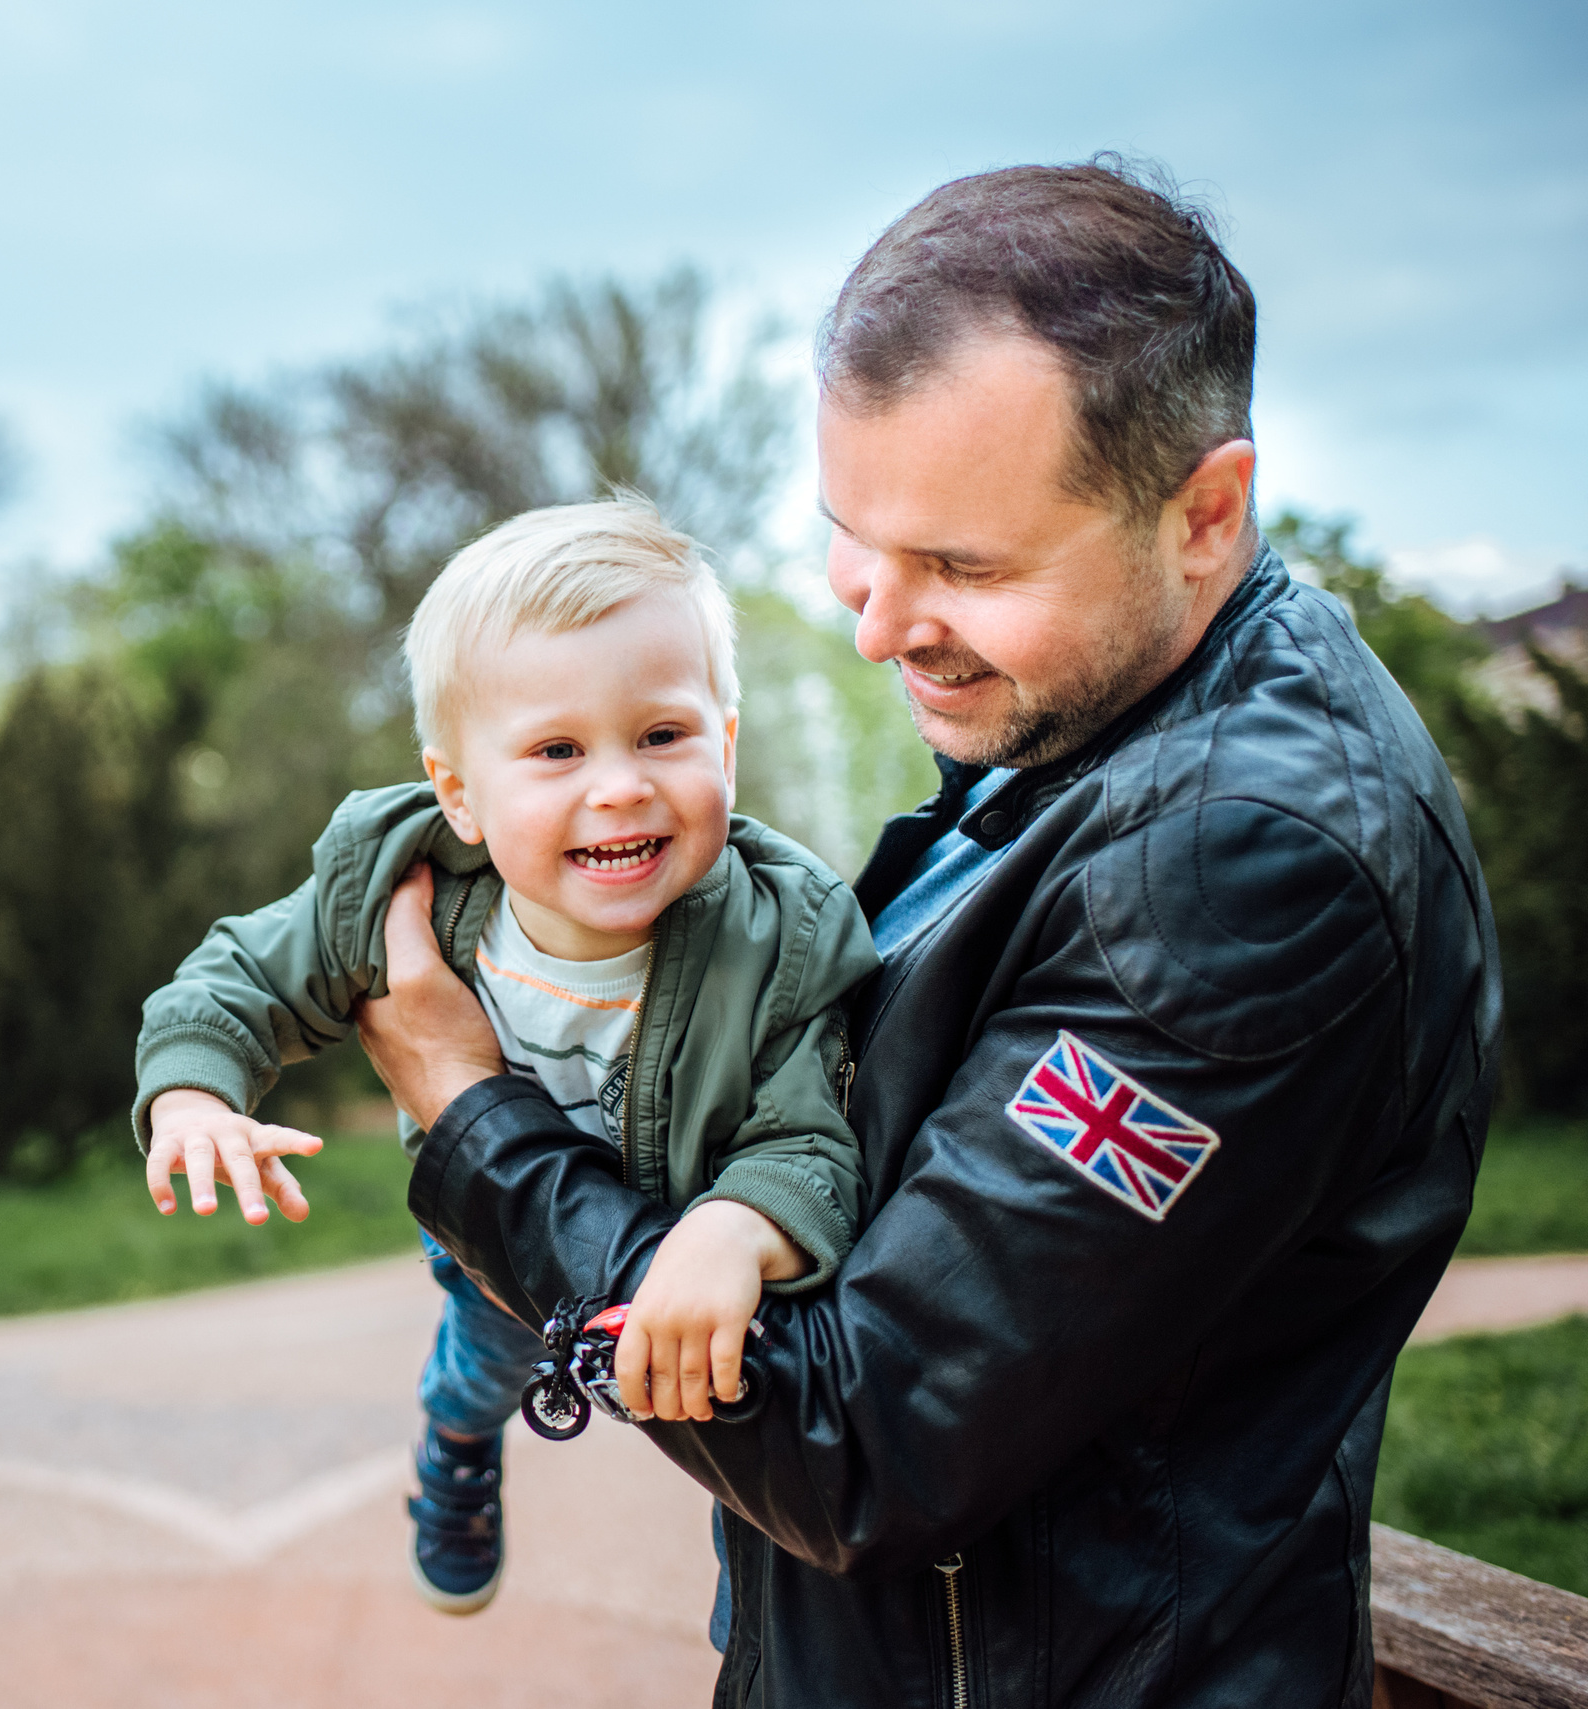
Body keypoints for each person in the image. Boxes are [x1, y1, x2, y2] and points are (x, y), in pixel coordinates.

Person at [356, 158, 1501, 1706]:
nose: (877, 623)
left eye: (963, 565)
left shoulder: (1237, 869)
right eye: (854, 538)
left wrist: (469, 1109)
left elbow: (856, 1439)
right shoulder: (1101, 701)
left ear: (1205, 514)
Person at [132, 498, 879, 1614]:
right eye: (556, 750)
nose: (619, 783)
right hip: (496, 1242)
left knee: (744, 1424)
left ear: (724, 741)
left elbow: (806, 1131)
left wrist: (740, 1222)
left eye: (662, 735)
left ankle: (760, 1619)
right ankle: (455, 1441)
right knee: (490, 1366)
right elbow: (239, 975)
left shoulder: (786, 932)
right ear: (460, 793)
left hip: (683, 1245)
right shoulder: (399, 889)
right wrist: (195, 1094)